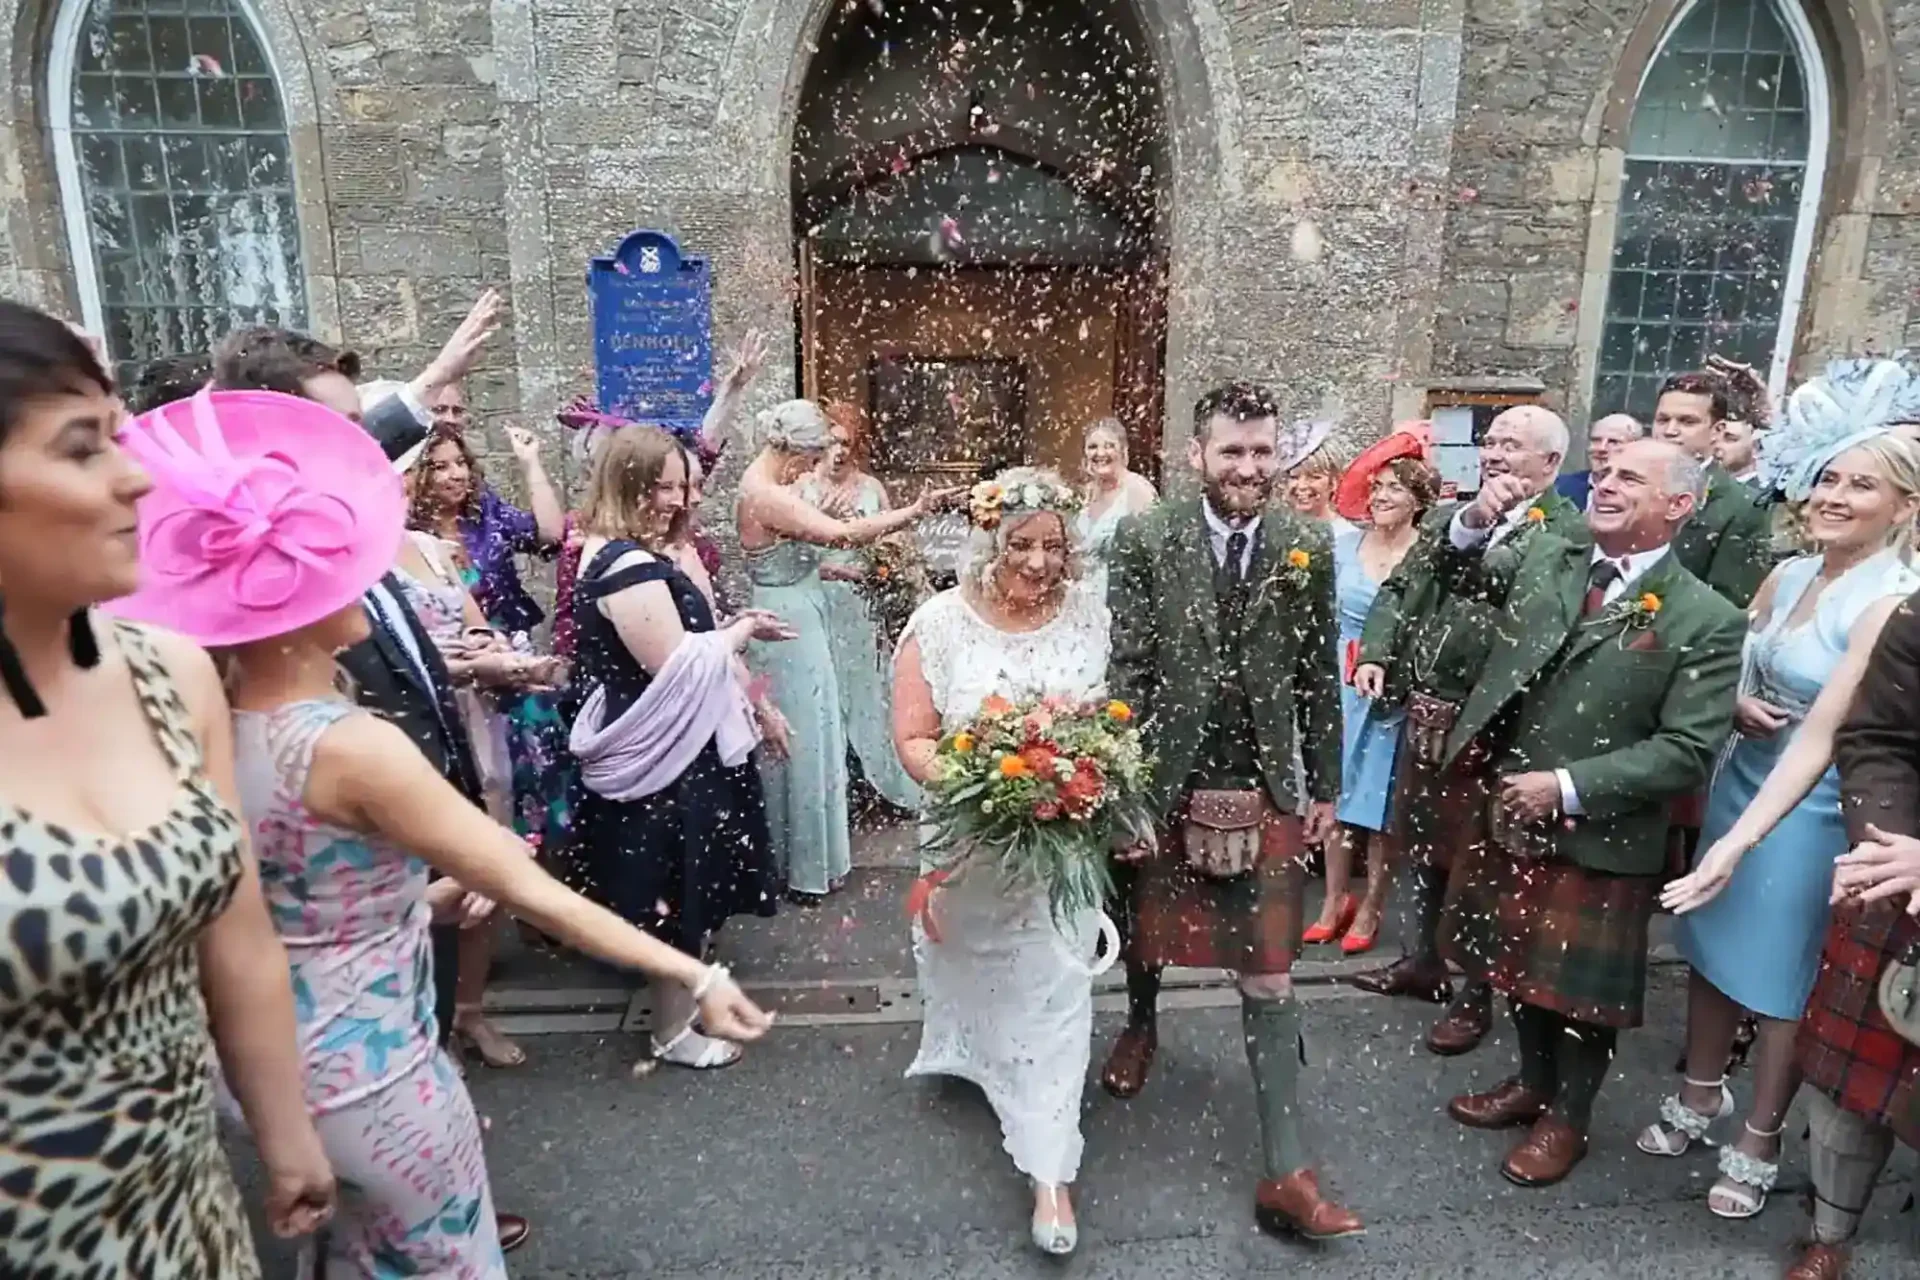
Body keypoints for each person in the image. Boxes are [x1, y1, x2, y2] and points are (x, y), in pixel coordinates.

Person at [107, 388, 775, 1275]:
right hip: (374, 1076)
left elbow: (253, 919)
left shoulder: (203, 723)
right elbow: (525, 884)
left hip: (265, 1070)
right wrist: (690, 968)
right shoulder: (351, 749)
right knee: (438, 1258)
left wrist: (408, 895)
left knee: (347, 1257)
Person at [0, 302, 334, 1276]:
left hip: (186, 1217)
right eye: (80, 447)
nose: (137, 475)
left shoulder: (171, 673)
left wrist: (285, 1133)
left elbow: (238, 934)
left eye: (118, 433)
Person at [214, 323, 537, 1251]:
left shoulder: (352, 544)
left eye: (370, 427)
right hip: (342, 863)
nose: (372, 450)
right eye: (345, 428)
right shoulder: (262, 586)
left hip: (401, 845)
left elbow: (399, 657)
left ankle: (408, 1206)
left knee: (419, 1040)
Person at [1436, 438, 1744, 1189]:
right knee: (1519, 967)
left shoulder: (1706, 618)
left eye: (1629, 478)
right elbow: (1464, 579)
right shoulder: (1553, 560)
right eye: (1603, 473)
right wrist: (1473, 523)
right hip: (1515, 812)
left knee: (1580, 991)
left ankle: (1569, 1117)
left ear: (1679, 506)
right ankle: (1532, 1083)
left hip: (1602, 829)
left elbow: (1686, 752)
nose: (1604, 485)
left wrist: (1568, 784)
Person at [1100, 381, 1362, 1243]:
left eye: (1262, 452)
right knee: (1146, 925)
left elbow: (1318, 676)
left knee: (1271, 971)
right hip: (1168, 771)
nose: (1249, 468)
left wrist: (1326, 785)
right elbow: (1128, 669)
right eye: (1232, 452)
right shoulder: (1146, 536)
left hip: (1265, 780)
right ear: (1197, 456)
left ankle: (1286, 1170)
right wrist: (1126, 790)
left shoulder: (1305, 543)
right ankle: (1141, 1022)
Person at [1653, 415, 1919, 1221]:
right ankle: (1701, 1095)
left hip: (1817, 812)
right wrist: (1731, 703)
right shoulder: (1791, 574)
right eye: (1830, 479)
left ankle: (1763, 1135)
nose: (1834, 496)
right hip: (1743, 777)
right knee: (1708, 944)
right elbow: (1732, 658)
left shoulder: (1890, 604)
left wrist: (1743, 840)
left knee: (1781, 980)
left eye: (1861, 485)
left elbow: (1834, 735)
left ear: (1905, 507)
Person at [891, 468, 1108, 1256]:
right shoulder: (940, 625)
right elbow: (913, 739)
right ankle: (984, 1061)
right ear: (990, 542)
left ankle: (1050, 1174)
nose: (1041, 563)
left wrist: (1073, 783)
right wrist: (993, 787)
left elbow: (1113, 721)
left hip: (1063, 853)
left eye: (1054, 546)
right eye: (1022, 544)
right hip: (968, 848)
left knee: (1055, 992)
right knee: (973, 970)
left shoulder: (1090, 616)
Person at [1349, 405, 1584, 1055]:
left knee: (1480, 865)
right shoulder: (1457, 515)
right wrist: (1376, 651)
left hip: (1493, 727)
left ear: (1550, 464)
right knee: (1420, 846)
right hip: (1424, 713)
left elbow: (1517, 611)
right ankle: (1421, 961)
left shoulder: (1565, 532)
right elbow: (1402, 589)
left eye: (1514, 445)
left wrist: (1481, 529)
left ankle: (1476, 995)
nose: (1496, 454)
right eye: (1492, 441)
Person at [567, 426, 788, 1070]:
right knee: (675, 892)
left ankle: (682, 1008)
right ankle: (671, 1032)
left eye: (681, 483)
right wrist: (740, 629)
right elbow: (676, 667)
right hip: (667, 766)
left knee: (684, 889)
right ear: (625, 481)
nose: (676, 497)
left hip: (678, 755)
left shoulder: (628, 552)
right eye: (661, 484)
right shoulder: (628, 566)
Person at [735, 400, 958, 903]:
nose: (813, 466)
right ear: (790, 447)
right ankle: (799, 869)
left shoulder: (772, 487)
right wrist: (917, 511)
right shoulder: (764, 492)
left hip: (800, 609)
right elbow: (841, 534)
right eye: (811, 455)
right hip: (788, 627)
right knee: (803, 741)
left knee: (815, 734)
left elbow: (799, 556)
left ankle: (809, 861)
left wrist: (834, 565)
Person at [1786, 608, 1920, 1277]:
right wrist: (1887, 849)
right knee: (1852, 1080)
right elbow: (1878, 741)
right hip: (1901, 873)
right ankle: (1828, 1233)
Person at [1307, 433, 1439, 954]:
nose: (1381, 496)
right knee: (1337, 797)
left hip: (1394, 691)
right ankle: (1332, 899)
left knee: (1382, 808)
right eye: (1378, 487)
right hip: (1340, 686)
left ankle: (1372, 906)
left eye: (1394, 490)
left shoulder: (1428, 555)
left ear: (1419, 503)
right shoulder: (1343, 545)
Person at [800, 405, 923, 812]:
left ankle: (881, 784)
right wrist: (829, 569)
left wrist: (886, 571)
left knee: (871, 692)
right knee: (828, 693)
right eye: (832, 442)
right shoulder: (802, 489)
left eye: (846, 443)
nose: (838, 452)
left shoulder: (871, 488)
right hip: (821, 601)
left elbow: (893, 539)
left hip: (861, 605)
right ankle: (838, 792)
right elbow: (793, 554)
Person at [1653, 370, 1774, 607]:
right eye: (1662, 419)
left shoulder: (1743, 507)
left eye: (1687, 421)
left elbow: (1726, 605)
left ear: (1717, 431)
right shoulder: (1624, 484)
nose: (1670, 431)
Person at [1073, 416, 1158, 600]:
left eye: (1109, 446)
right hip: (1080, 601)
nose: (1100, 453)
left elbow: (1153, 554)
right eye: (1093, 447)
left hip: (1120, 599)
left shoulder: (1138, 491)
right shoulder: (1085, 493)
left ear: (1123, 450)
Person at [1555, 413, 1644, 510]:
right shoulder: (1558, 487)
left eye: (1613, 442)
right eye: (1596, 440)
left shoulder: (1640, 495)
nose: (1601, 448)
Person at [1284, 425, 1357, 539]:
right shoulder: (1276, 533)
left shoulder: (1347, 536)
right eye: (1294, 477)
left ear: (1334, 482)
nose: (1301, 486)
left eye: (1314, 477)